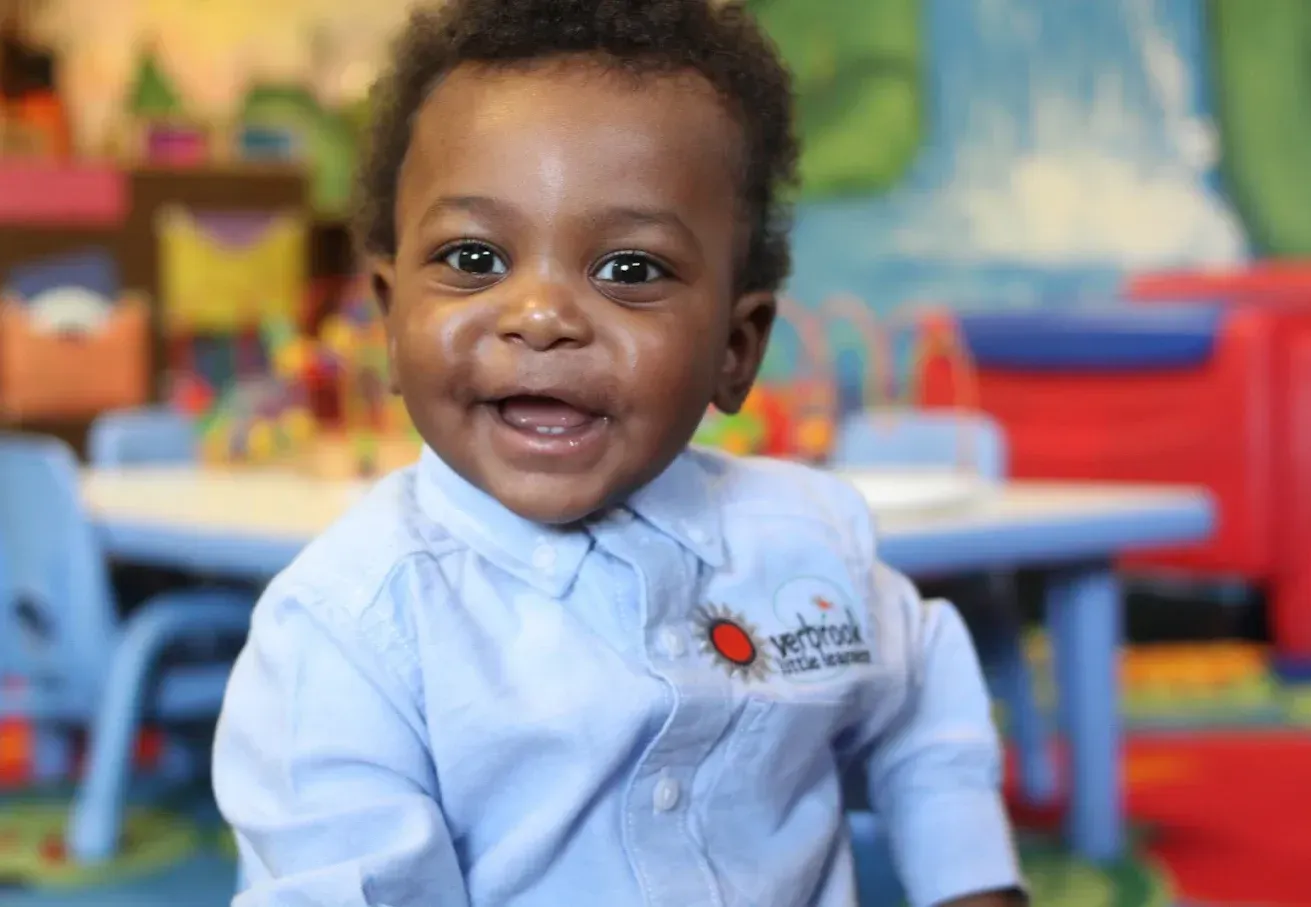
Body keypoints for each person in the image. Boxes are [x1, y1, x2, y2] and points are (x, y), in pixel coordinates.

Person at [212, 1, 1026, 904]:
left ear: (735, 347)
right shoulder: (347, 632)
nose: (542, 315)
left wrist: (968, 881)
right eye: (475, 257)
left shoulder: (806, 541)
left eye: (629, 270)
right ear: (390, 314)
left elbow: (920, 704)